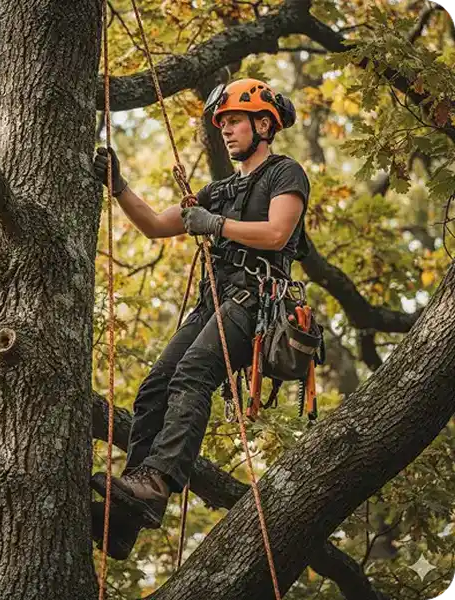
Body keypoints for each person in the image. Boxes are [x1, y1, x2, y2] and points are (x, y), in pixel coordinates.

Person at [91, 78, 311, 559]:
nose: (226, 131)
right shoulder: (221, 188)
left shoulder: (285, 174)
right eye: (223, 124)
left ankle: (158, 480)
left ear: (264, 124)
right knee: (155, 384)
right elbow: (153, 226)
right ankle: (131, 507)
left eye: (234, 121)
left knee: (193, 375)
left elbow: (277, 233)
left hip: (254, 301)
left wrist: (216, 225)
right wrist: (119, 187)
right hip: (213, 302)